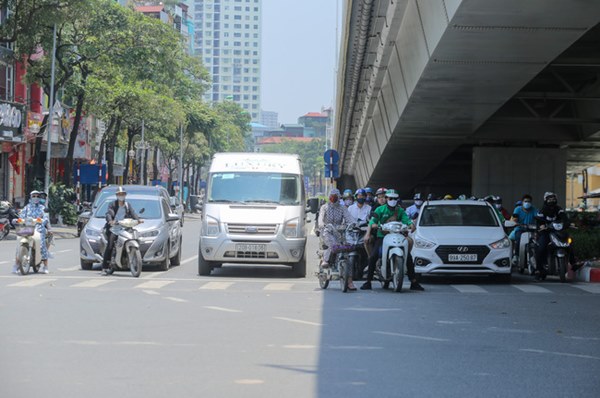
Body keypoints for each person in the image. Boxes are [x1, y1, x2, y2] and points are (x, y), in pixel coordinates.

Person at [360, 189, 424, 291]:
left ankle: (414, 282)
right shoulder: (379, 210)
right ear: (386, 199)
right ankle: (368, 281)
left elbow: (406, 220)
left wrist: (411, 225)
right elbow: (372, 222)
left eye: (395, 198)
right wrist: (373, 229)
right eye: (390, 198)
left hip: (398, 236)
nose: (392, 200)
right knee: (373, 256)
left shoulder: (400, 211)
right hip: (382, 237)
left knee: (408, 256)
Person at [318, 188, 357, 290]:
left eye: (336, 197)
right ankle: (326, 259)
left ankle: (349, 282)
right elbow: (321, 219)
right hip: (327, 231)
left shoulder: (343, 208)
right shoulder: (324, 207)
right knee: (333, 244)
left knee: (346, 252)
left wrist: (354, 224)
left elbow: (349, 217)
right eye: (332, 197)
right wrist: (322, 224)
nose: (333, 199)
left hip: (340, 232)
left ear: (339, 198)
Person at [101, 187, 142, 275]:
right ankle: (105, 266)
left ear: (125, 195)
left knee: (135, 238)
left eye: (122, 194)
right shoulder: (112, 204)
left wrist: (138, 220)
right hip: (114, 229)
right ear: (116, 195)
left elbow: (133, 213)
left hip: (125, 228)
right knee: (110, 245)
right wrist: (111, 221)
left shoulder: (127, 205)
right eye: (119, 194)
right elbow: (109, 213)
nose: (121, 196)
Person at [534, 192, 574, 280]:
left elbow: (565, 218)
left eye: (553, 198)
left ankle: (573, 263)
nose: (552, 200)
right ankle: (539, 270)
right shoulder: (542, 210)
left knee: (570, 243)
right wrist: (541, 226)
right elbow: (539, 220)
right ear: (546, 200)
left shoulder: (559, 209)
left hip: (558, 232)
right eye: (549, 198)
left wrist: (568, 223)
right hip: (546, 233)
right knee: (541, 248)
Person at [12, 191, 50, 274]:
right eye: (33, 196)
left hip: (39, 229)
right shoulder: (27, 207)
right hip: (27, 228)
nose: (35, 197)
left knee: (42, 245)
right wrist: (17, 220)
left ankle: (45, 265)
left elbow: (46, 218)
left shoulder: (42, 208)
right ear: (30, 197)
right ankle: (16, 264)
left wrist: (42, 221)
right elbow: (21, 216)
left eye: (37, 196)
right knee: (19, 244)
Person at [509, 194, 537, 264]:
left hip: (531, 229)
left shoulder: (534, 209)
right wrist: (515, 222)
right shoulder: (517, 209)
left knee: (536, 242)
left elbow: (538, 218)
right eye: (525, 201)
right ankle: (516, 255)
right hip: (520, 229)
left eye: (529, 201)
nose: (527, 203)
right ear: (522, 202)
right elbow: (514, 218)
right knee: (518, 239)